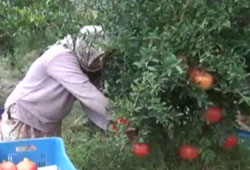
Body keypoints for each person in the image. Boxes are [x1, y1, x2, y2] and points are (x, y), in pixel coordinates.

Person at [0, 25, 115, 141]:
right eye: (96, 59)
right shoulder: (60, 57)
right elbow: (89, 95)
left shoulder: (84, 66)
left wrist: (113, 126)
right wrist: (120, 117)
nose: (100, 64)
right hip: (24, 121)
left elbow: (89, 104)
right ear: (85, 49)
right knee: (20, 159)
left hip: (49, 127)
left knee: (47, 159)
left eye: (102, 59)